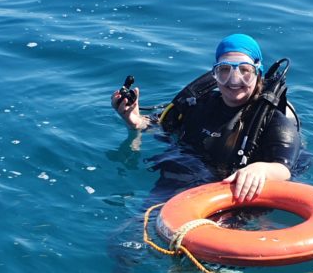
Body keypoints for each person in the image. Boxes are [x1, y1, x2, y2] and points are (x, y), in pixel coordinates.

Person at [111, 34, 302, 203]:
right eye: (225, 70)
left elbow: (284, 169)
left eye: (244, 70)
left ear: (257, 74)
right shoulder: (198, 105)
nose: (234, 80)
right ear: (215, 75)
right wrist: (133, 119)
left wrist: (262, 169)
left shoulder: (274, 121)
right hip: (184, 178)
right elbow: (159, 125)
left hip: (235, 195)